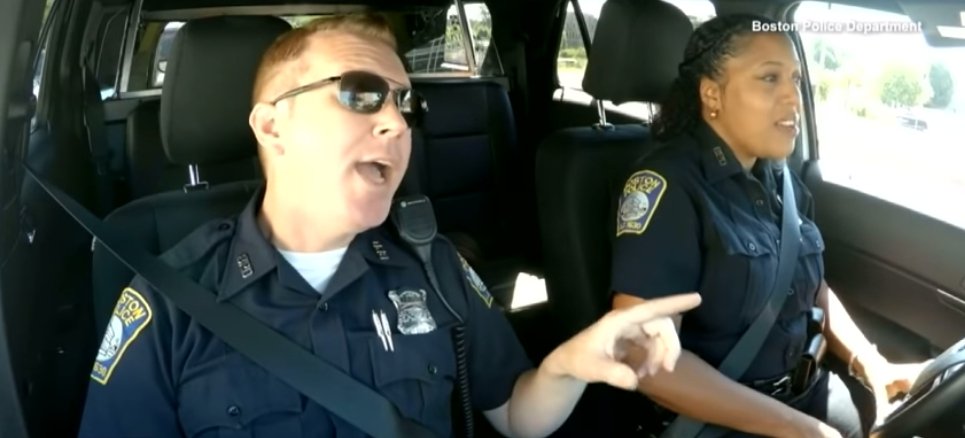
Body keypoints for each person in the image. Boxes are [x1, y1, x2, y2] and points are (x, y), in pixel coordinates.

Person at [78, 13, 702, 438]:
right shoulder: (167, 302)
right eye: (360, 93)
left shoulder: (433, 268)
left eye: (408, 104)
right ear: (271, 127)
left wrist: (566, 365)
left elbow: (513, 413)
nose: (398, 125)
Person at [609, 14, 925, 438]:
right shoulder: (667, 187)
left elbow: (811, 286)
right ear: (711, 93)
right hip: (718, 421)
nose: (793, 98)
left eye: (794, 80)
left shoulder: (780, 179)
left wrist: (871, 364)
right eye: (769, 78)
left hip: (808, 395)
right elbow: (644, 357)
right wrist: (796, 429)